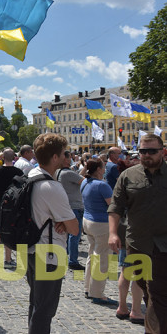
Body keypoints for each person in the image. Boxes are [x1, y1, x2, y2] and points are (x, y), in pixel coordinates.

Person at [109, 134, 167, 333]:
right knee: (147, 291)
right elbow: (115, 207)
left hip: (164, 245)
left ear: (162, 151)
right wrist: (113, 234)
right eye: (143, 151)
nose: (147, 155)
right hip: (137, 244)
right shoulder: (128, 176)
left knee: (157, 292)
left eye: (152, 151)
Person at [25, 133, 79, 333]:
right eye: (65, 153)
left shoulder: (30, 176)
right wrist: (63, 223)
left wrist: (60, 221)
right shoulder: (52, 187)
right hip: (49, 254)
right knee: (45, 310)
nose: (68, 157)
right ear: (55, 157)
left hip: (30, 248)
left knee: (36, 304)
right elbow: (74, 228)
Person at [80, 158, 117, 305]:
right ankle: (97, 293)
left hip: (88, 221)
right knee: (102, 259)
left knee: (92, 255)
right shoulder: (102, 185)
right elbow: (112, 205)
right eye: (103, 167)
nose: (105, 169)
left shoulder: (84, 182)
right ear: (98, 169)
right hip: (101, 223)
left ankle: (88, 288)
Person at [0, 148, 23, 268]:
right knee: (10, 231)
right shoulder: (18, 172)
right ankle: (8, 260)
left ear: (3, 157)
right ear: (14, 158)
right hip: (14, 206)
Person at [55, 150, 86, 271]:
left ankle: (66, 257)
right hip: (75, 206)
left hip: (66, 205)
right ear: (66, 160)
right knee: (75, 234)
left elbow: (78, 176)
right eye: (70, 158)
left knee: (67, 235)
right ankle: (73, 260)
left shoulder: (59, 172)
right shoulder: (68, 173)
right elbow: (83, 181)